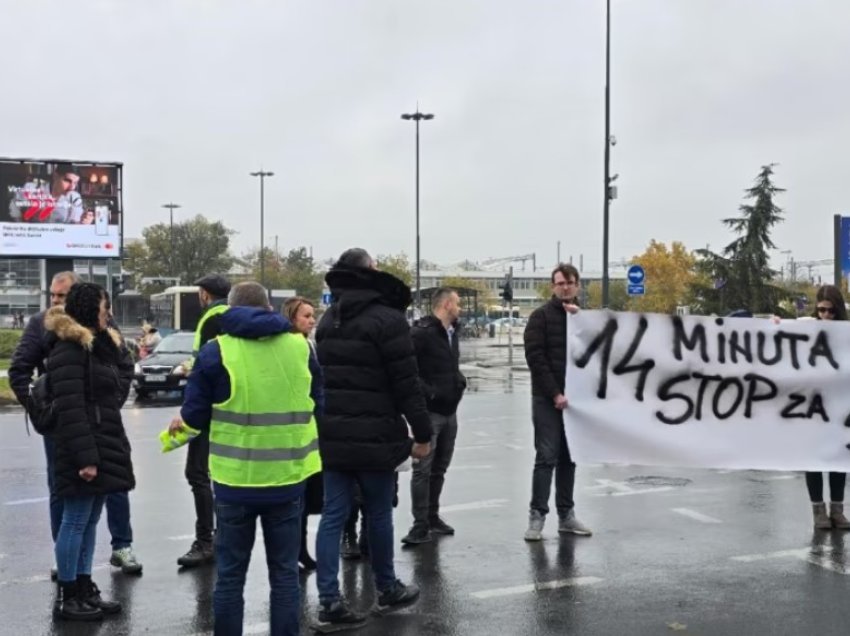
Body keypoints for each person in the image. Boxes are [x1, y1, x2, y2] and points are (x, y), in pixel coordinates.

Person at [171, 281, 321, 636]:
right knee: (285, 576)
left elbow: (193, 419)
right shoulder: (300, 347)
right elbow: (319, 402)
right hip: (287, 479)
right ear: (269, 308)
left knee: (230, 577)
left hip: (234, 483)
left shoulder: (214, 352)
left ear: (229, 309)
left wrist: (175, 432)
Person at [313, 248, 432, 629]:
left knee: (333, 515)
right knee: (379, 513)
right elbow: (406, 383)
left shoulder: (328, 319)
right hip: (377, 434)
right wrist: (423, 431)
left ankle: (329, 599)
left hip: (333, 434)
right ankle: (386, 587)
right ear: (368, 274)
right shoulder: (388, 319)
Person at [8, 271, 142, 576]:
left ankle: (120, 547)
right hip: (66, 426)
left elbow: (123, 363)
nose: (56, 301)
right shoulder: (45, 327)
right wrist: (43, 412)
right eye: (53, 296)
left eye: (62, 296)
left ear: (79, 298)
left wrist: (111, 400)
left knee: (111, 489)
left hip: (101, 424)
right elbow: (19, 371)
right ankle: (69, 569)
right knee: (69, 501)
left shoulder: (102, 321)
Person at [45, 283, 135, 621]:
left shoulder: (96, 347)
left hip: (103, 443)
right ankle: (69, 595)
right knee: (75, 520)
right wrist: (86, 458)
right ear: (87, 310)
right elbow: (71, 410)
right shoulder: (68, 350)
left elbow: (109, 389)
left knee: (90, 520)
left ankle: (84, 587)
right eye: (102, 307)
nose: (107, 313)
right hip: (84, 450)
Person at [522, 263, 592, 541]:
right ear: (553, 286)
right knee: (546, 457)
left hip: (574, 402)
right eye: (560, 283)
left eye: (570, 283)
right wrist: (555, 393)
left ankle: (567, 515)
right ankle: (537, 516)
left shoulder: (584, 320)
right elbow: (535, 359)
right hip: (547, 399)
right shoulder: (540, 317)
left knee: (569, 457)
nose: (565, 287)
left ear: (577, 286)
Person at [402, 288, 467, 545]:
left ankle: (432, 517)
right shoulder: (422, 333)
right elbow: (408, 370)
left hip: (450, 412)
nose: (460, 308)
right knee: (423, 470)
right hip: (431, 413)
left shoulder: (452, 333)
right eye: (458, 303)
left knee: (440, 468)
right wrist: (430, 394)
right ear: (447, 304)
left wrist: (458, 383)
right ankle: (419, 525)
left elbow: (451, 367)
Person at [176, 273, 231, 568]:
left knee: (197, 473)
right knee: (219, 475)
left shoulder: (212, 318)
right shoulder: (233, 316)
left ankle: (206, 541)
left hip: (208, 409)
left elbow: (209, 367)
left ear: (205, 294)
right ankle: (223, 537)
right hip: (228, 407)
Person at [282, 296, 325, 571]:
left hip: (310, 429)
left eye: (313, 315)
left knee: (306, 497)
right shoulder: (294, 346)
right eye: (306, 316)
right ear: (292, 319)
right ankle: (294, 552)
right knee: (296, 499)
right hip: (299, 430)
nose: (312, 320)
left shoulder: (309, 343)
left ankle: (300, 550)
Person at [807, 285, 850, 530]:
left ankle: (837, 510)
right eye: (821, 310)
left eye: (831, 311)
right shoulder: (807, 330)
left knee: (838, 458)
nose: (825, 316)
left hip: (841, 406)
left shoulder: (846, 333)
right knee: (813, 459)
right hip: (811, 407)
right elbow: (776, 337)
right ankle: (818, 512)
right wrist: (774, 323)